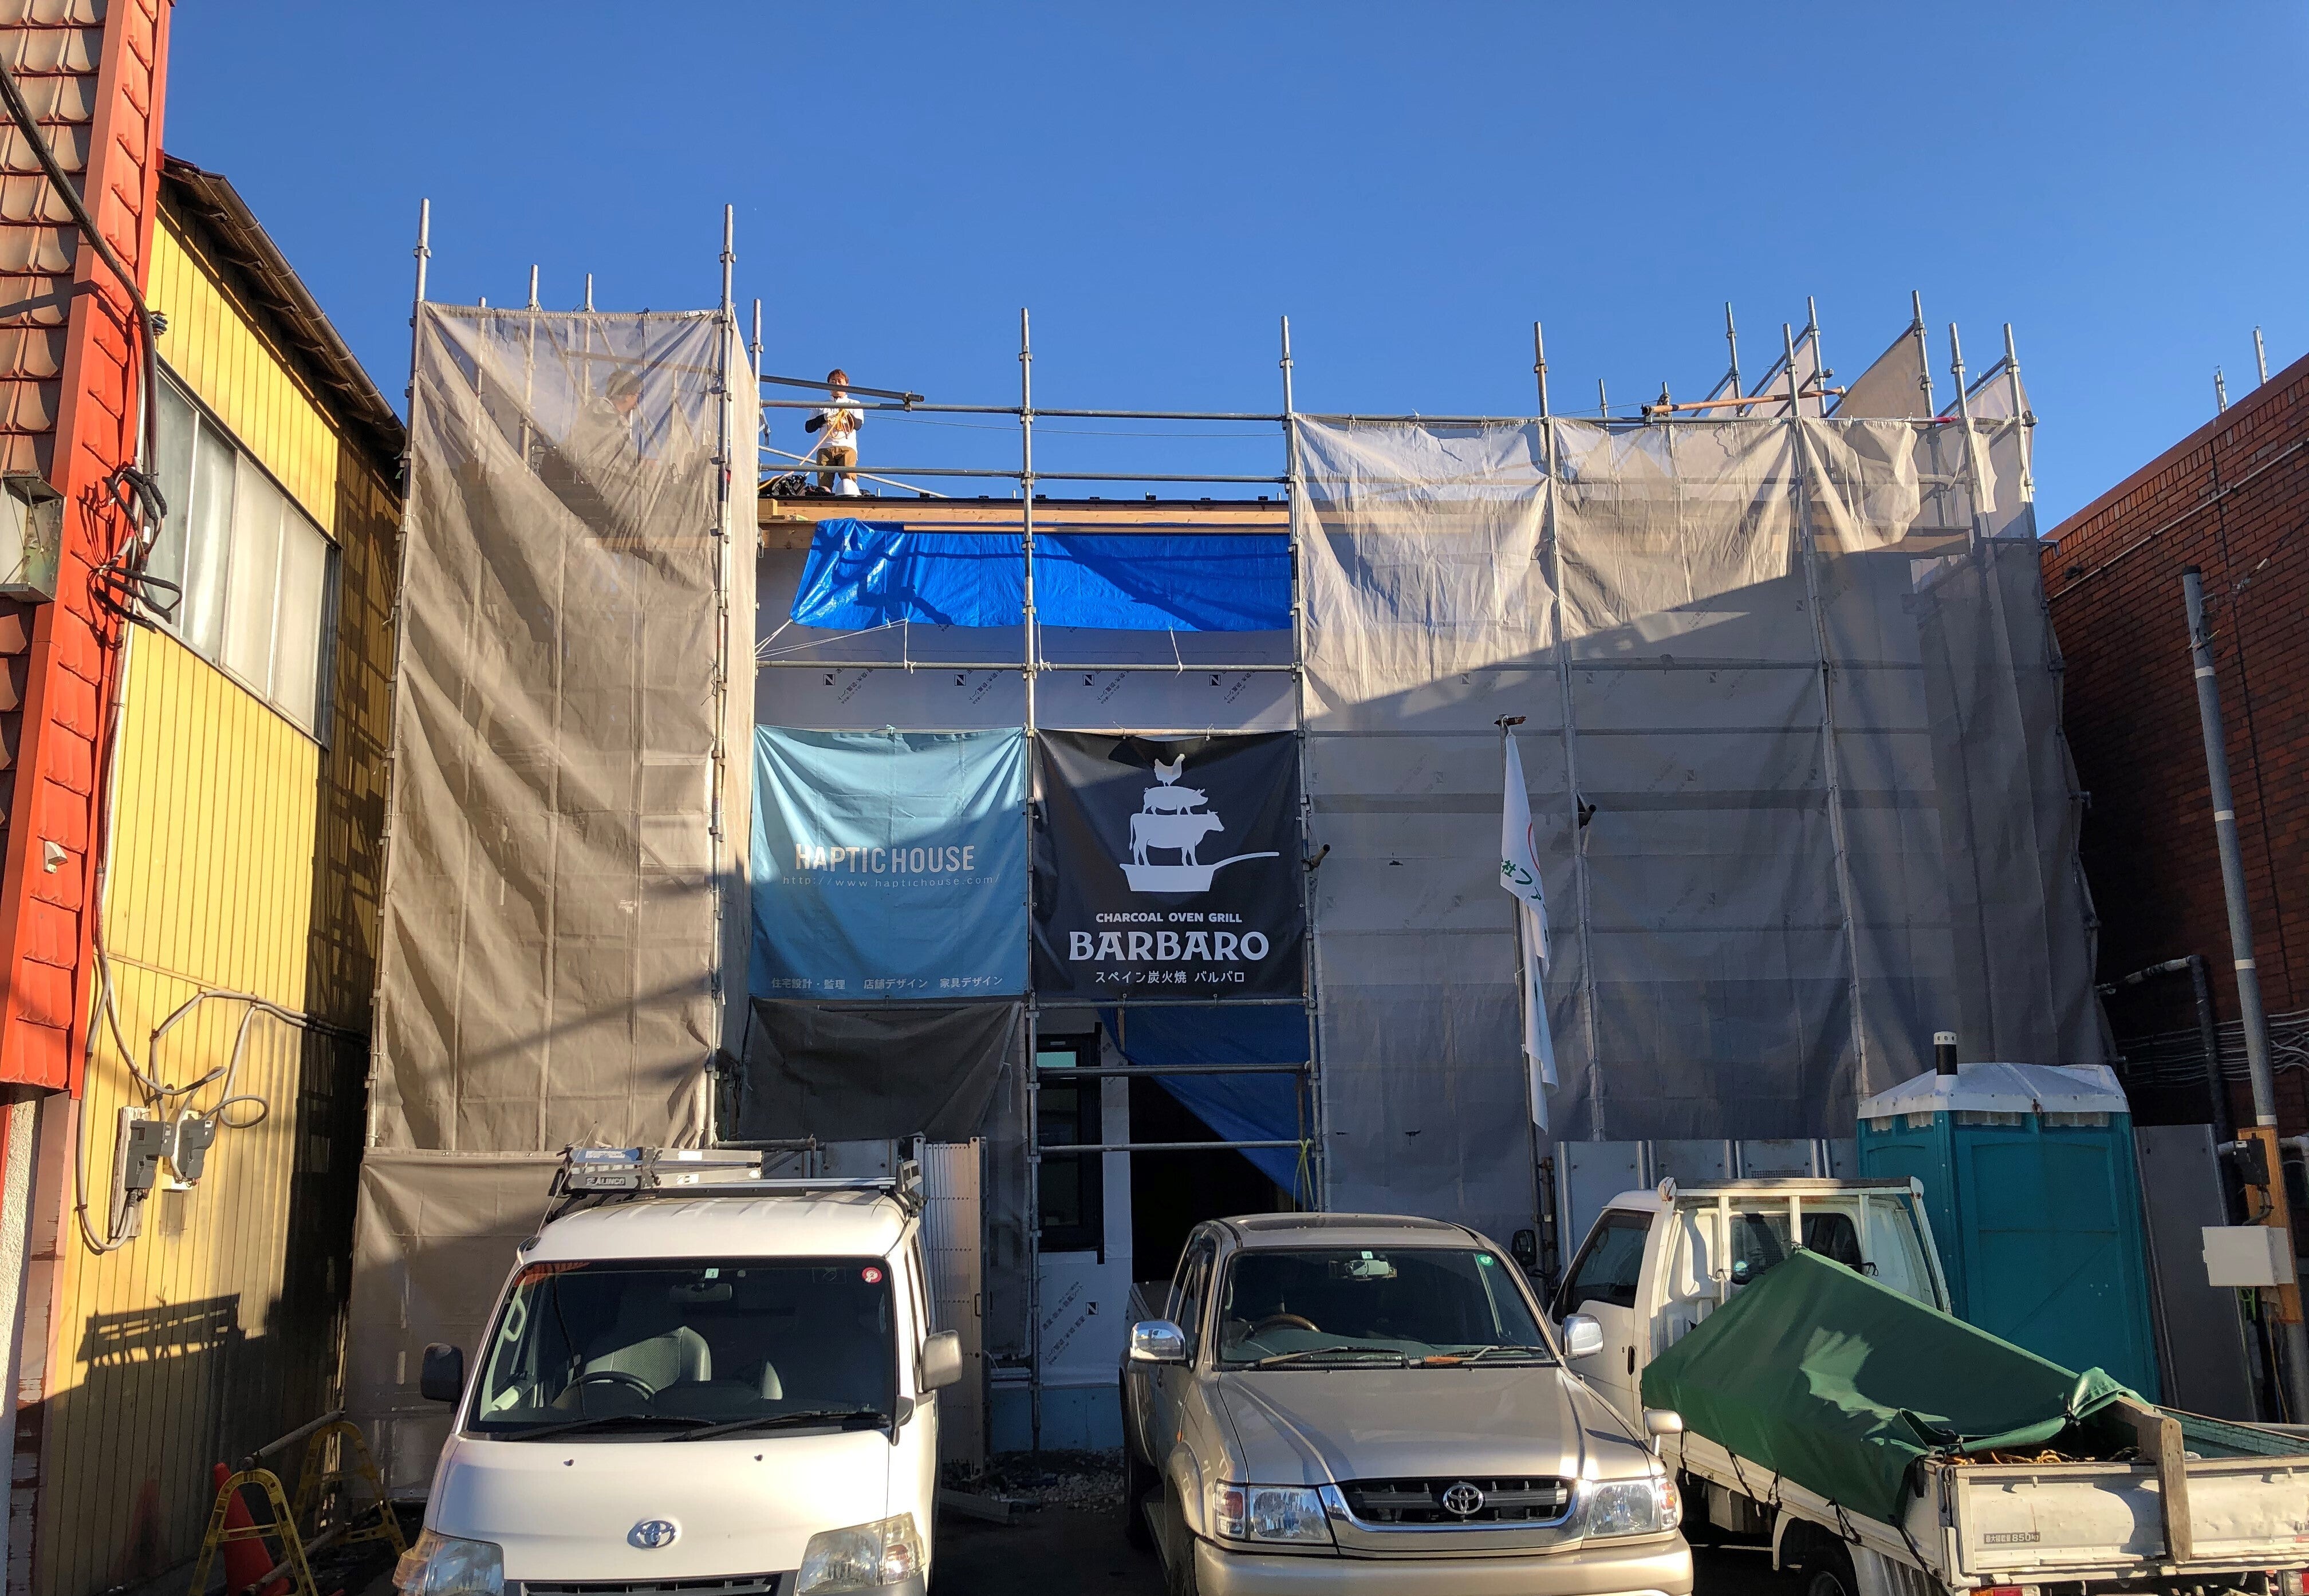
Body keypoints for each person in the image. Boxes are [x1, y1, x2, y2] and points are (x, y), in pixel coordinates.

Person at [805, 369, 863, 495]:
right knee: (824, 483)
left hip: (846, 447)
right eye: (833, 382)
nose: (836, 384)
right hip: (825, 448)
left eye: (839, 381)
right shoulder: (820, 405)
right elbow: (809, 427)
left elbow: (858, 425)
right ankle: (826, 499)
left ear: (847, 385)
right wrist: (824, 418)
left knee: (848, 478)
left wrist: (846, 412)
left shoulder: (854, 404)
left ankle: (849, 497)